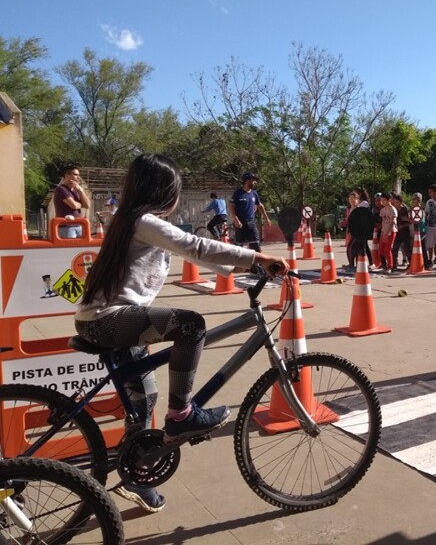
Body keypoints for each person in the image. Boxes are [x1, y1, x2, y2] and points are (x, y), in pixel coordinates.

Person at [74, 154, 288, 513]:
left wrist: (239, 269)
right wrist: (257, 259)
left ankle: (137, 474)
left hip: (113, 320)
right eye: (175, 190)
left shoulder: (134, 221)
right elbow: (196, 246)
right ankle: (182, 416)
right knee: (192, 324)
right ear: (162, 192)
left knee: (144, 400)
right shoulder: (142, 221)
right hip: (108, 320)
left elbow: (198, 256)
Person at [229, 172, 271, 251]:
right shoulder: (238, 194)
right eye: (253, 180)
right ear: (247, 181)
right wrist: (236, 220)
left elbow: (260, 206)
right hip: (240, 224)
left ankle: (257, 263)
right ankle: (237, 263)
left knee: (256, 246)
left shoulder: (254, 193)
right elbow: (231, 206)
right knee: (238, 247)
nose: (255, 182)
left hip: (251, 223)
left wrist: (267, 218)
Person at [53, 165, 91, 238]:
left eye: (78, 175)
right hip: (67, 227)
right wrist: (81, 204)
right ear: (67, 175)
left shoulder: (76, 190)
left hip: (79, 225)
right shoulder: (61, 189)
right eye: (76, 175)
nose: (78, 177)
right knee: (69, 248)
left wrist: (80, 190)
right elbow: (73, 205)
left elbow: (88, 205)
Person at [391, 192, 412, 270]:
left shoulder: (405, 209)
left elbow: (410, 221)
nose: (396, 204)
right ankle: (394, 264)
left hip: (405, 232)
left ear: (401, 202)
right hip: (397, 232)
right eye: (395, 202)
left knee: (407, 249)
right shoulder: (394, 209)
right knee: (395, 248)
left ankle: (411, 263)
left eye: (397, 202)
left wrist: (403, 225)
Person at [410, 192, 430, 269]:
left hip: (422, 231)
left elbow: (418, 221)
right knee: (421, 247)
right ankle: (423, 263)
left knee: (420, 247)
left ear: (419, 201)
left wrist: (406, 219)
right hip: (417, 231)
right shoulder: (414, 209)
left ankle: (425, 264)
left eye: (415, 200)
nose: (413, 202)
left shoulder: (420, 210)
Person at [378, 192, 398, 273]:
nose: (382, 202)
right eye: (381, 200)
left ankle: (390, 266)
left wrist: (387, 232)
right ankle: (385, 264)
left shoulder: (393, 209)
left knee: (387, 249)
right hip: (384, 231)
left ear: (389, 200)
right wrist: (383, 231)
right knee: (381, 249)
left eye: (383, 200)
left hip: (391, 231)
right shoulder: (383, 210)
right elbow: (383, 220)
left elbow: (393, 222)